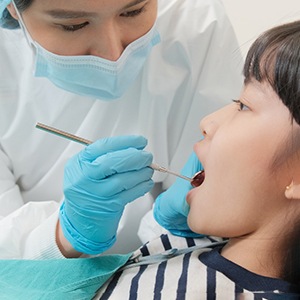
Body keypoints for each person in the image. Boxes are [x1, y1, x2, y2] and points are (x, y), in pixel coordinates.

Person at [1, 20, 299, 300]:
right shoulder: (207, 253)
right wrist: (165, 231)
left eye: (243, 105)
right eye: (72, 23)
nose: (207, 121)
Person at [0, 0, 243, 259]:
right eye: (73, 25)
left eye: (133, 11)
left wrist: (176, 220)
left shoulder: (196, 23)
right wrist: (64, 237)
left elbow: (218, 219)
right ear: (13, 8)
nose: (114, 54)